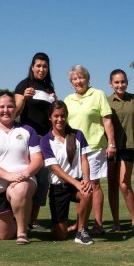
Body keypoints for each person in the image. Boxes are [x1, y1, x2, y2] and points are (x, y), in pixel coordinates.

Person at [0, 92, 43, 245]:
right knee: (4, 236)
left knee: (20, 189)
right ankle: (18, 214)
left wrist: (25, 174)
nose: (6, 110)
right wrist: (8, 176)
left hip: (23, 180)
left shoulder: (27, 130)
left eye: (10, 106)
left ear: (16, 109)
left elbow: (38, 159)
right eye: (1, 107)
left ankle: (22, 232)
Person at [64, 65, 116, 235]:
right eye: (75, 79)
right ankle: (81, 224)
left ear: (88, 78)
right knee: (80, 187)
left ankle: (98, 224)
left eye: (81, 77)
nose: (78, 81)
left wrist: (111, 143)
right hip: (73, 147)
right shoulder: (68, 99)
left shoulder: (98, 94)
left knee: (94, 185)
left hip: (94, 146)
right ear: (71, 83)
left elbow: (107, 120)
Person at [40, 101, 94, 244]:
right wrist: (76, 183)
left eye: (63, 116)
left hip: (76, 184)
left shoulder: (78, 135)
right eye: (56, 116)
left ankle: (81, 230)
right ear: (50, 118)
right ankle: (58, 226)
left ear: (67, 116)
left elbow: (84, 159)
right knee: (60, 235)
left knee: (87, 192)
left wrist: (86, 179)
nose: (60, 119)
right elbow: (55, 168)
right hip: (58, 188)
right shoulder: (46, 141)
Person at [14, 52, 56, 231]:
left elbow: (54, 116)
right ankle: (20, 221)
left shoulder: (49, 88)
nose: (41, 69)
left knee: (43, 181)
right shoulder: (24, 85)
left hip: (45, 139)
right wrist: (24, 97)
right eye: (38, 66)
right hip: (27, 139)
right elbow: (15, 112)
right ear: (32, 67)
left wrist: (55, 101)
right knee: (26, 178)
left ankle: (33, 221)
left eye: (44, 66)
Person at [107, 69, 134, 233]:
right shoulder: (106, 101)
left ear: (127, 82)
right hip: (110, 148)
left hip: (127, 146)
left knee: (124, 184)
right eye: (116, 82)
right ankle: (116, 222)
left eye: (123, 82)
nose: (120, 85)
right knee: (112, 185)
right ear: (111, 84)